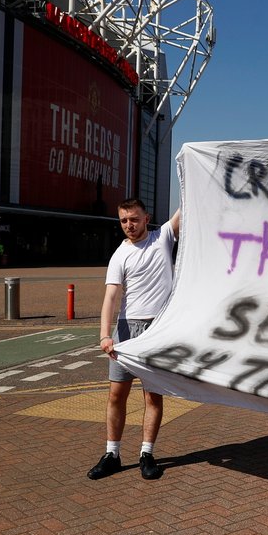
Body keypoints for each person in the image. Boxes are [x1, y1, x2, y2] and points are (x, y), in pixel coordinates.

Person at [88, 199, 181, 481]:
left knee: (152, 395)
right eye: (124, 220)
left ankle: (146, 453)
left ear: (146, 218)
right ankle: (112, 454)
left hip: (158, 329)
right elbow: (111, 297)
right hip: (127, 330)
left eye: (134, 219)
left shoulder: (163, 236)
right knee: (117, 395)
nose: (129, 225)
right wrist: (105, 335)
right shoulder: (120, 255)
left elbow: (186, 206)